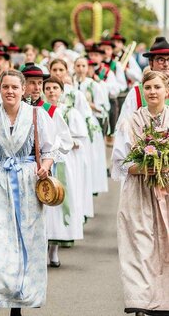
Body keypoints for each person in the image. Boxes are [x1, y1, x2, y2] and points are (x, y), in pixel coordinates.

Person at [0, 70, 57, 316]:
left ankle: (18, 305)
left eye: (14, 87)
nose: (10, 91)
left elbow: (50, 150)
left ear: (23, 89)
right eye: (5, 86)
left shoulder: (37, 116)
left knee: (23, 244)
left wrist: (44, 167)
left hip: (27, 184)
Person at [112, 70, 169, 316]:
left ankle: (164, 300)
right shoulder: (131, 122)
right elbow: (121, 162)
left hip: (165, 189)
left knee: (164, 246)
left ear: (166, 90)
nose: (152, 92)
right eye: (148, 88)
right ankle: (140, 302)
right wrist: (144, 166)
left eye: (157, 87)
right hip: (138, 191)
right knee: (139, 246)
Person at [43, 76, 86, 266]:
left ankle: (54, 250)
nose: (51, 91)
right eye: (48, 88)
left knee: (59, 202)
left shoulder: (70, 112)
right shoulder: (39, 110)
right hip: (42, 162)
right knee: (42, 202)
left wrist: (70, 143)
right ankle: (40, 247)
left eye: (55, 88)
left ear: (62, 91)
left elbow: (79, 139)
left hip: (63, 162)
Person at [72, 57, 109, 194]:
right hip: (74, 122)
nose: (80, 68)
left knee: (91, 154)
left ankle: (92, 186)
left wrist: (89, 105)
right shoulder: (71, 84)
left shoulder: (93, 85)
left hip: (89, 122)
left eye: (83, 66)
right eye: (78, 65)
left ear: (87, 68)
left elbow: (104, 108)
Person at [117, 36, 169, 129]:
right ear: (151, 63)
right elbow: (123, 126)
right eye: (161, 60)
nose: (166, 64)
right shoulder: (137, 93)